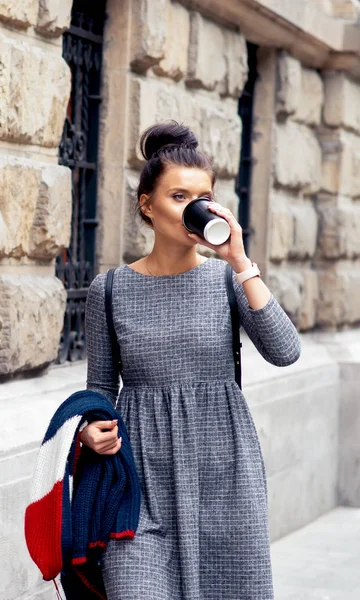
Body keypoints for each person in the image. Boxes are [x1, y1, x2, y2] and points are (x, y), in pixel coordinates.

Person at [81, 121, 301, 600]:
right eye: (179, 197)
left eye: (203, 198)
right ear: (147, 205)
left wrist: (242, 263)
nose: (193, 210)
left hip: (224, 478)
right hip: (138, 485)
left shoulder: (226, 281)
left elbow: (285, 352)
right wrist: (89, 428)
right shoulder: (110, 290)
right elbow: (99, 388)